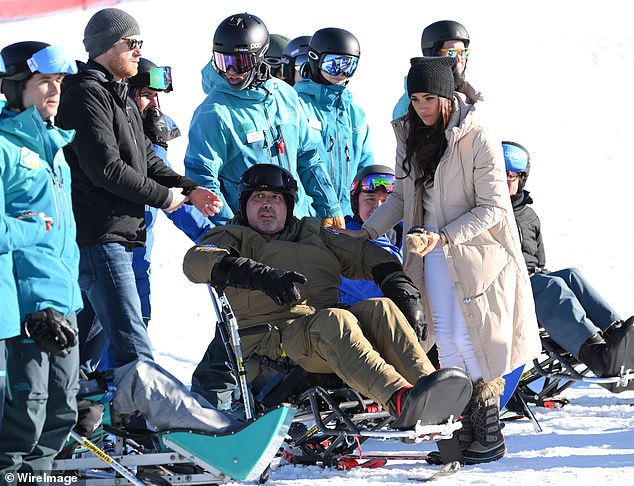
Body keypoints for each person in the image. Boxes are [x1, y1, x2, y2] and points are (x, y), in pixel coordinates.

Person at [339, 57, 541, 464]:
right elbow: (400, 197)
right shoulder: (411, 135)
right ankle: (462, 432)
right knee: (445, 342)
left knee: (473, 341)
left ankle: (487, 434)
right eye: (415, 99)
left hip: (477, 254)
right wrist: (366, 232)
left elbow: (494, 208)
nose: (422, 107)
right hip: (429, 251)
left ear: (447, 96)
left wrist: (444, 235)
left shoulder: (478, 135)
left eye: (429, 97)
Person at [184, 164, 474, 431]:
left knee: (380, 308)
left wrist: (400, 286)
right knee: (336, 319)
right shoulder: (232, 236)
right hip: (273, 345)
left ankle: (430, 389)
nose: (267, 205)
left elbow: (367, 254)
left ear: (288, 205)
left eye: (275, 198)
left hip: (328, 334)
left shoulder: (313, 235)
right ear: (245, 204)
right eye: (258, 197)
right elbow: (196, 261)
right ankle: (399, 398)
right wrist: (256, 274)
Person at [55, 7, 222, 373]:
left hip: (120, 236)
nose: (137, 50)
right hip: (101, 238)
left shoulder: (118, 96)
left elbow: (148, 160)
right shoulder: (86, 95)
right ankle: (143, 428)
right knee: (134, 349)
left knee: (81, 353)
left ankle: (79, 421)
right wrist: (167, 198)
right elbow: (108, 170)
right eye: (132, 43)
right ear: (107, 45)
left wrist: (189, 189)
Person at [0, 41, 81, 476]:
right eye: (43, 82)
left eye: (59, 83)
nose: (54, 90)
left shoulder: (56, 144)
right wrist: (33, 307)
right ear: (15, 88)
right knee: (25, 413)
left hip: (65, 297)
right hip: (28, 307)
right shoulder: (3, 147)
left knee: (61, 410)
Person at [184, 13, 344, 228]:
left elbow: (309, 156)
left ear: (260, 56)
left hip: (296, 222)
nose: (231, 72)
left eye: (240, 62)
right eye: (223, 61)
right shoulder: (214, 112)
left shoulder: (284, 95)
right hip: (251, 230)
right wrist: (232, 229)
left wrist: (329, 207)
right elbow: (202, 177)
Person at [504, 140, 634, 392]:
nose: (507, 180)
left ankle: (617, 337)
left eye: (513, 175)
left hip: (529, 281)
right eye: (501, 174)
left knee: (571, 276)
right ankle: (595, 352)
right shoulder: (487, 212)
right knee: (550, 285)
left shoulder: (528, 216)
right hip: (503, 288)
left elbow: (539, 262)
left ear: (522, 178)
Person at [127, 57, 214, 328]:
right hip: (108, 265)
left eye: (157, 97)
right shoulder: (113, 139)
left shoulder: (151, 139)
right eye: (146, 96)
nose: (154, 105)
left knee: (133, 345)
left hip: (139, 266)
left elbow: (175, 200)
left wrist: (212, 237)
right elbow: (151, 185)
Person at [295, 27, 374, 216]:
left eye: (349, 66)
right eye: (333, 64)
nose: (341, 73)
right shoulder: (296, 106)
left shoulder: (355, 115)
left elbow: (365, 169)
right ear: (315, 59)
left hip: (346, 217)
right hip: (306, 216)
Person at [392, 20, 483, 120]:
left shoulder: (473, 97)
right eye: (451, 52)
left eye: (463, 52)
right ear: (433, 54)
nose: (459, 59)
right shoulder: (409, 106)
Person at [339, 164, 402, 306]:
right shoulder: (343, 242)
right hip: (364, 319)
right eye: (370, 199)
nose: (378, 208)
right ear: (356, 203)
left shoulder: (410, 236)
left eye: (386, 202)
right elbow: (376, 290)